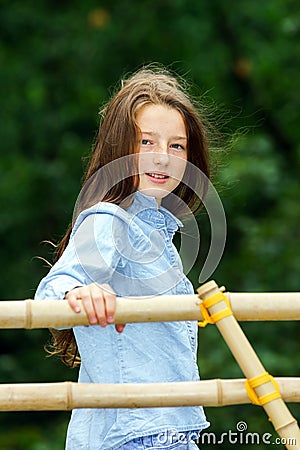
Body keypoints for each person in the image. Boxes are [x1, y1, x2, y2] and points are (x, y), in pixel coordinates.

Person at [35, 66, 211, 449]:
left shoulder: (161, 239)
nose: (162, 157)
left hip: (168, 429)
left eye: (176, 146)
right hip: (136, 434)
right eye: (147, 142)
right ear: (119, 149)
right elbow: (56, 287)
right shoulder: (109, 219)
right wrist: (78, 295)